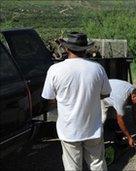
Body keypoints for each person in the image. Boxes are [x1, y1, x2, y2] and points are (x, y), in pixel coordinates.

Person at [41, 32, 111, 170]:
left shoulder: (55, 70)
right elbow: (105, 94)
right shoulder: (97, 68)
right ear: (86, 49)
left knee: (72, 167)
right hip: (93, 128)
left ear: (67, 49)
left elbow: (49, 99)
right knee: (97, 164)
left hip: (69, 129)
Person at [101, 79, 136, 147]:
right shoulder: (122, 99)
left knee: (115, 115)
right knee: (103, 118)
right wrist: (129, 138)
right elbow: (120, 120)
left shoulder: (135, 92)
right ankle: (97, 141)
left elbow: (135, 114)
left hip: (112, 91)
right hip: (101, 93)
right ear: (133, 96)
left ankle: (118, 135)